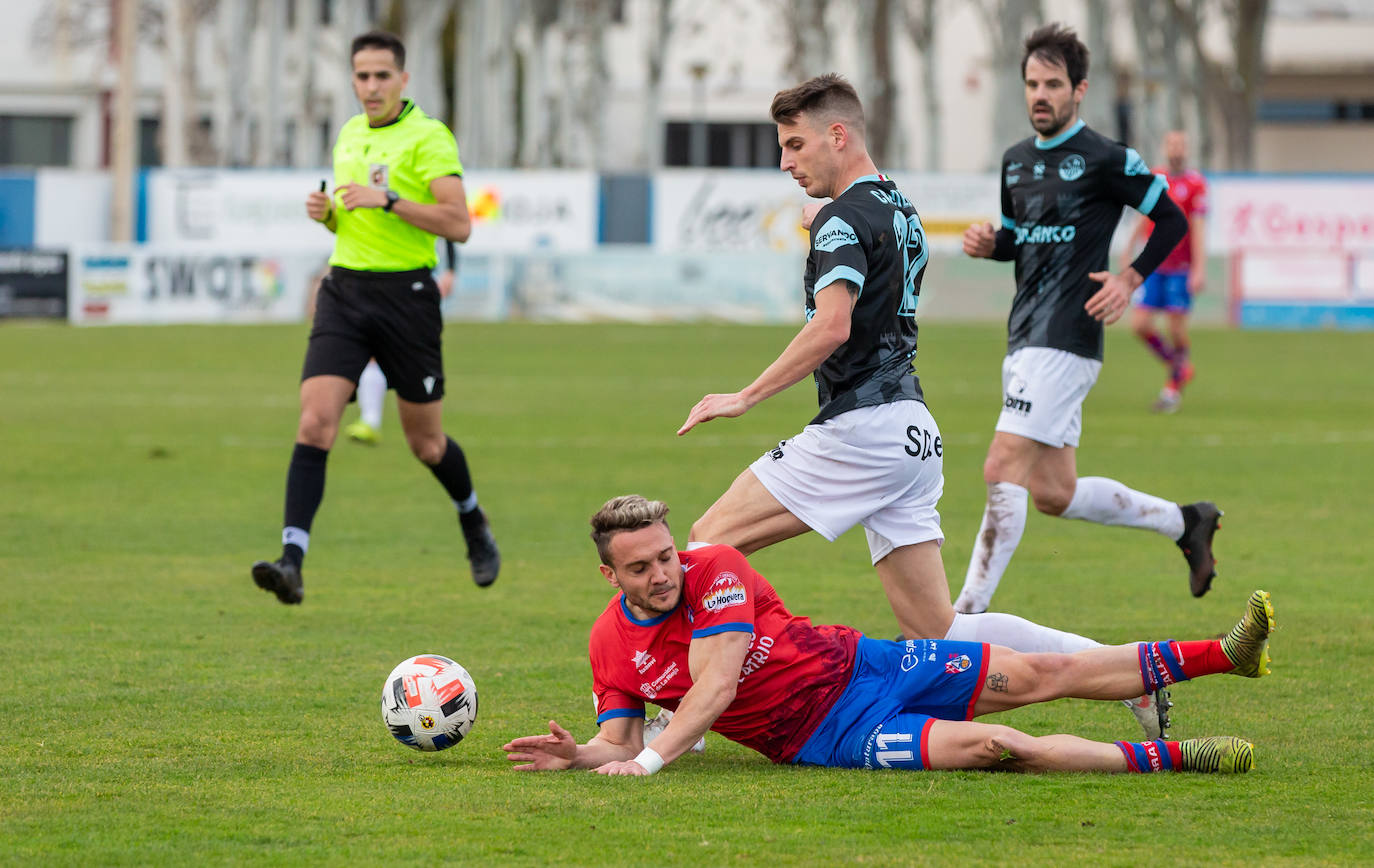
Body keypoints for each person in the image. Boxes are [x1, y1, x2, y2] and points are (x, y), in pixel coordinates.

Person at [675, 73, 1170, 738]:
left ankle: (688, 718)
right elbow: (868, 255)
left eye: (795, 146)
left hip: (861, 430)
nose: (785, 162)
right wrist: (827, 224)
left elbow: (832, 327)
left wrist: (746, 395)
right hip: (911, 434)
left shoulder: (843, 221)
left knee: (706, 546)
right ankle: (1125, 676)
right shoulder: (899, 209)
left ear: (837, 135)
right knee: (939, 629)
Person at [501, 496, 1272, 776]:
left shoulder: (716, 567)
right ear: (613, 577)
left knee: (1038, 670)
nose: (665, 573)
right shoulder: (609, 644)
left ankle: (1223, 655)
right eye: (642, 567)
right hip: (829, 735)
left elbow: (717, 685)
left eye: (667, 555)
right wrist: (581, 756)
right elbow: (618, 735)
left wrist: (646, 764)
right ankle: (1176, 758)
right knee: (999, 749)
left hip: (868, 661)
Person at [954, 24, 1220, 616]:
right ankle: (1186, 522)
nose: (1039, 95)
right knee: (1053, 492)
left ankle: (958, 623)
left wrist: (1129, 279)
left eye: (1052, 84)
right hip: (1023, 337)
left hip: (1068, 339)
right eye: (1031, 84)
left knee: (1002, 465)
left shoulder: (1105, 158)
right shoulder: (1015, 162)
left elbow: (1172, 220)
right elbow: (1020, 240)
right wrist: (990, 243)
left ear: (1080, 89)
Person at [251, 30, 499, 604]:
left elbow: (458, 223)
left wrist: (387, 200)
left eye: (382, 75)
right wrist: (329, 217)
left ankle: (473, 521)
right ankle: (292, 561)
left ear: (403, 79)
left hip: (407, 298)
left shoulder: (428, 138)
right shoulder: (348, 134)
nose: (370, 86)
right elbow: (352, 221)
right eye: (361, 76)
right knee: (315, 422)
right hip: (344, 290)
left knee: (427, 444)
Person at [1120, 130, 1209, 413]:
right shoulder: (1156, 177)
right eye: (1171, 144)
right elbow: (1143, 216)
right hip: (1153, 263)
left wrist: (1199, 268)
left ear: (1187, 149)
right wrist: (1128, 248)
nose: (1176, 149)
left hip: (1181, 267)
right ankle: (1179, 366)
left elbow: (1198, 228)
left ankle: (1171, 391)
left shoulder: (1196, 184)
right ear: (1165, 147)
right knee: (1139, 325)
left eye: (1181, 145)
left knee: (1175, 328)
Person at [345, 240, 459, 445]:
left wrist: (450, 268)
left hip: (416, 285)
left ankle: (423, 425)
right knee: (372, 349)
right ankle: (370, 418)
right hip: (376, 281)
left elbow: (450, 223)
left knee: (413, 357)